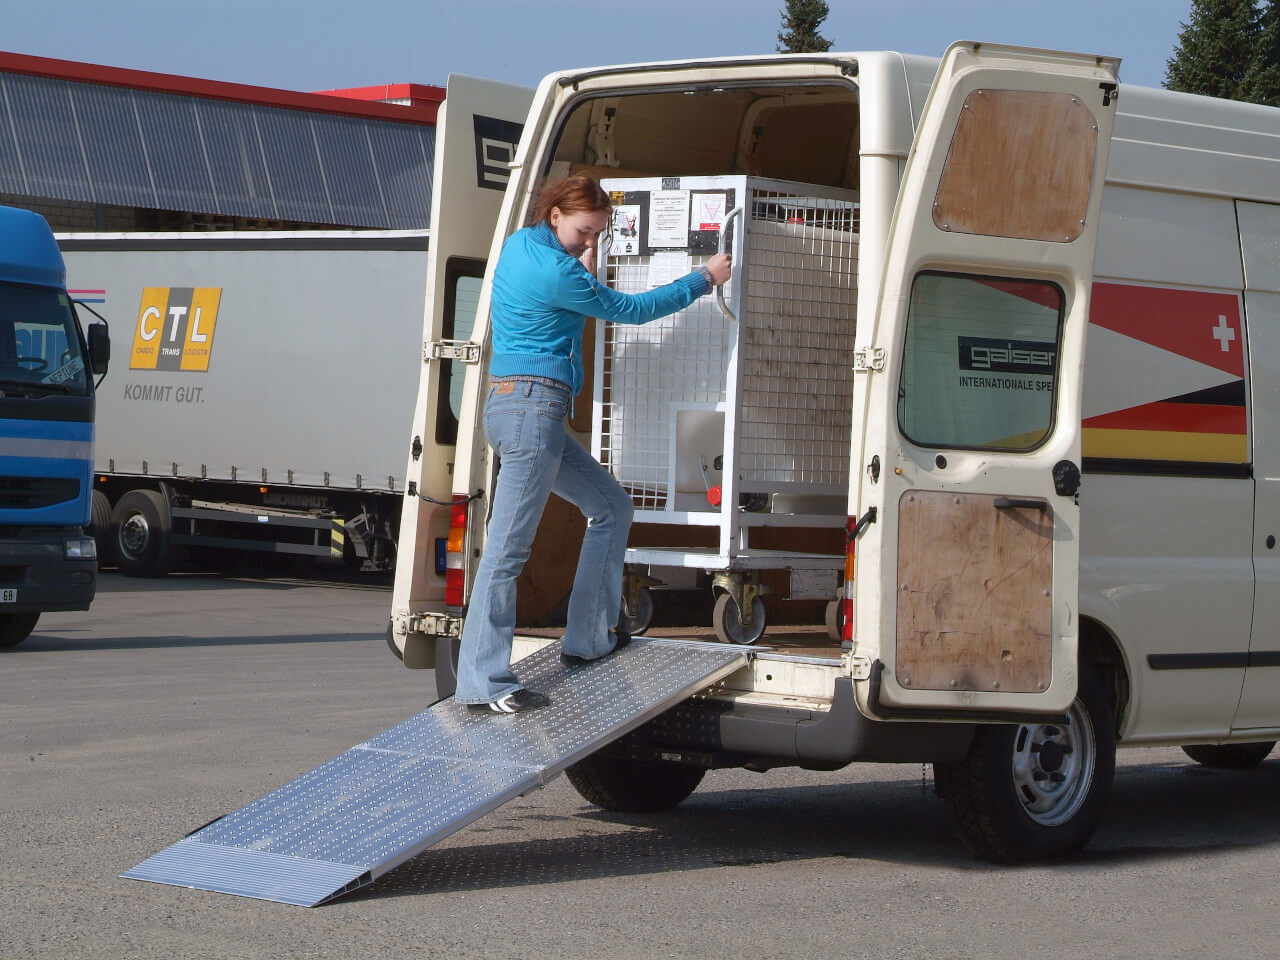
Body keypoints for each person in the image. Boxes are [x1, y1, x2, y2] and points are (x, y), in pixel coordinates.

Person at [456, 176, 732, 713]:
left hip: (522, 410)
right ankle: (484, 681)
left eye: (596, 237)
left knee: (611, 506)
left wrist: (579, 260)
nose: (589, 245)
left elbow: (564, 289)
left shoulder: (521, 244)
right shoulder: (556, 271)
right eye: (585, 233)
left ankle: (588, 639)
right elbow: (630, 311)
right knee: (507, 553)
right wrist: (703, 278)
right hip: (533, 415)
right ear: (555, 213)